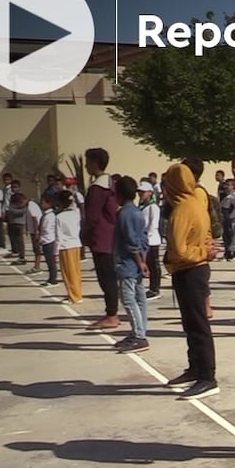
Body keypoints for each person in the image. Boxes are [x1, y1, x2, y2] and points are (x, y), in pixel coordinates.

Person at [162, 161, 221, 399]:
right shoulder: (195, 202)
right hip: (193, 270)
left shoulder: (182, 210)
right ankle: (196, 368)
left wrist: (203, 253)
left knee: (197, 325)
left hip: (190, 270)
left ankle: (207, 376)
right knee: (192, 324)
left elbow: (179, 251)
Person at [80, 148, 122, 332]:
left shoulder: (98, 188)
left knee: (106, 278)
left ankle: (111, 315)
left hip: (101, 238)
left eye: (88, 161)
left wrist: (84, 234)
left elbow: (92, 215)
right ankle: (112, 312)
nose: (85, 165)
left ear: (96, 162)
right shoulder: (111, 183)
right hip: (110, 236)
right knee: (109, 277)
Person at [112, 176, 151, 354]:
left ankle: (139, 336)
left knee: (128, 298)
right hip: (135, 261)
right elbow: (142, 239)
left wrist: (139, 261)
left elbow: (131, 241)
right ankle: (139, 331)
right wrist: (143, 260)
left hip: (128, 262)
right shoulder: (136, 212)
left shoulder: (125, 214)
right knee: (139, 297)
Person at [55, 190, 83, 303]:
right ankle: (77, 293)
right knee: (76, 271)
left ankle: (74, 296)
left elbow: (58, 236)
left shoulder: (59, 217)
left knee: (68, 273)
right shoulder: (76, 213)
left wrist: (55, 252)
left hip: (65, 246)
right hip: (76, 244)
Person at [138, 181, 163, 300]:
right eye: (140, 192)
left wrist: (147, 237)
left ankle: (155, 289)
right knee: (149, 264)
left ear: (150, 193)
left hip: (151, 239)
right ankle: (151, 287)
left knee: (154, 265)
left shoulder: (153, 207)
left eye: (143, 192)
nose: (141, 194)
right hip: (144, 239)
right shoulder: (142, 206)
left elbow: (153, 224)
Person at [37, 192, 59, 287]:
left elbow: (46, 229)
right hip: (46, 240)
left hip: (49, 240)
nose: (41, 205)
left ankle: (53, 279)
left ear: (49, 204)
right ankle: (51, 278)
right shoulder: (46, 215)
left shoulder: (50, 216)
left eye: (43, 203)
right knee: (49, 261)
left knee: (51, 262)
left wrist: (40, 239)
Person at [5, 190, 28, 265]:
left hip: (20, 224)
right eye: (21, 202)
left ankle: (22, 256)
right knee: (16, 240)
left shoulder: (24, 208)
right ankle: (18, 253)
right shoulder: (12, 207)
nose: (23, 204)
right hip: (13, 224)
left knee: (20, 240)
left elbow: (23, 212)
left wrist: (24, 208)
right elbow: (13, 212)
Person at [24, 188, 44, 273]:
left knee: (37, 249)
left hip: (36, 231)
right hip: (34, 230)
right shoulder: (30, 205)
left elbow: (35, 219)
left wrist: (36, 232)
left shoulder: (30, 206)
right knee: (36, 249)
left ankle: (37, 266)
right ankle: (36, 265)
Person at [220, 178, 235, 261]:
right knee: (226, 236)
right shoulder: (226, 196)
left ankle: (233, 253)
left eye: (228, 185)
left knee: (231, 236)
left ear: (233, 186)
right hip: (225, 218)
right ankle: (227, 252)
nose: (226, 186)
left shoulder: (234, 196)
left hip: (230, 219)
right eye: (225, 185)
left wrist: (231, 217)